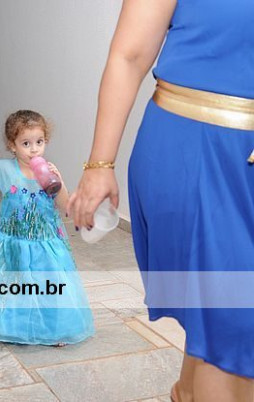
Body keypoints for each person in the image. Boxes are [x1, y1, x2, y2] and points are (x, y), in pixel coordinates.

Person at [67, 1, 254, 400]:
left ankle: (187, 392)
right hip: (196, 152)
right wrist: (100, 164)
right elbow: (129, 56)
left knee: (220, 318)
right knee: (237, 324)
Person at [0, 110, 94, 345]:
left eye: (39, 142)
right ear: (12, 145)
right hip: (14, 241)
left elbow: (65, 206)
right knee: (18, 285)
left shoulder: (49, 173)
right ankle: (19, 327)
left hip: (45, 242)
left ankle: (56, 330)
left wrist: (60, 182)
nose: (34, 150)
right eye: (26, 143)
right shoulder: (5, 169)